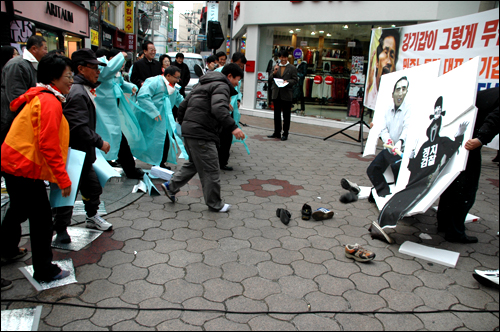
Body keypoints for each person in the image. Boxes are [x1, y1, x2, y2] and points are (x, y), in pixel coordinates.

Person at [1, 53, 73, 282]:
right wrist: (63, 179)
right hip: (23, 166)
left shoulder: (41, 96)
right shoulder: (49, 101)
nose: (72, 80)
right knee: (41, 220)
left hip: (14, 162)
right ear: (54, 78)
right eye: (68, 76)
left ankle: (7, 249)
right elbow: (48, 145)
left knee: (19, 209)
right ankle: (44, 270)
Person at [373, 96, 468, 236]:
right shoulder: (426, 144)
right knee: (383, 174)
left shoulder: (442, 141)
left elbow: (451, 149)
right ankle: (383, 208)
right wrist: (410, 158)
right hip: (414, 178)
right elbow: (413, 166)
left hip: (423, 181)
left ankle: (388, 214)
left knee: (408, 191)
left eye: (438, 113)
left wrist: (459, 136)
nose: (435, 120)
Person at [161, 64, 245, 212]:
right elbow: (218, 109)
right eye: (237, 80)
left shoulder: (202, 84)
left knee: (195, 163)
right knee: (211, 169)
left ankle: (171, 187)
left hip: (190, 131)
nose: (237, 84)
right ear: (230, 76)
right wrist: (234, 127)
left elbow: (182, 106)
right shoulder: (222, 86)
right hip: (202, 133)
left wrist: (184, 124)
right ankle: (215, 204)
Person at [52, 49, 113, 244]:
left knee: (92, 187)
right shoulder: (78, 92)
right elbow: (78, 127)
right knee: (67, 193)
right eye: (94, 68)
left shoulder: (82, 88)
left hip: (83, 153)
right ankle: (60, 229)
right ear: (80, 69)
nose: (98, 72)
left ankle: (91, 217)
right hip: (73, 154)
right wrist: (99, 142)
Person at [437, 87, 499, 243]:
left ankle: (444, 224)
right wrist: (481, 139)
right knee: (466, 189)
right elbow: (496, 118)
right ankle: (455, 232)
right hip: (469, 139)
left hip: (460, 132)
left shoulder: (492, 93)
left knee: (452, 183)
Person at [94, 48, 145, 179]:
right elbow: (107, 71)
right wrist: (120, 56)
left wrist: (131, 87)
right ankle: (126, 169)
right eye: (120, 61)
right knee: (115, 140)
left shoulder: (114, 72)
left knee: (118, 140)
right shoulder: (102, 68)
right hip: (102, 113)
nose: (122, 64)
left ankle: (128, 169)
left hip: (111, 112)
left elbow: (121, 84)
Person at [366, 76, 410, 197]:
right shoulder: (387, 108)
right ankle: (384, 194)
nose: (400, 93)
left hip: (402, 150)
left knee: (398, 170)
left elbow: (408, 128)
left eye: (404, 89)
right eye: (398, 89)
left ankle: (399, 198)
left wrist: (400, 142)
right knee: (372, 169)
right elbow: (383, 128)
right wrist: (388, 140)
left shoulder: (409, 109)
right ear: (393, 93)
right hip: (389, 148)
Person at [135, 66, 186, 168]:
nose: (177, 80)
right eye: (176, 77)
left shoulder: (174, 87)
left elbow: (180, 100)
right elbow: (142, 96)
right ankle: (155, 162)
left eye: (178, 78)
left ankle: (160, 163)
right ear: (168, 75)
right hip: (150, 117)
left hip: (164, 118)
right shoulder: (154, 81)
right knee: (152, 140)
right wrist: (153, 111)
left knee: (165, 139)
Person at [1, 35, 47, 144]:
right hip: (11, 119)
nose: (46, 52)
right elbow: (16, 97)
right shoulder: (17, 64)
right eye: (44, 48)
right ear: (34, 49)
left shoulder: (33, 64)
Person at [215, 52, 249, 171]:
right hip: (221, 108)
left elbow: (237, 90)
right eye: (239, 64)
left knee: (227, 137)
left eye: (242, 66)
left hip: (230, 108)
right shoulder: (220, 72)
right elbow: (216, 94)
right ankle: (215, 162)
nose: (240, 68)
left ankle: (223, 162)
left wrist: (238, 99)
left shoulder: (237, 76)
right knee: (219, 135)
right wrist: (224, 101)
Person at [365, 29, 400, 108]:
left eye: (392, 55)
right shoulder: (370, 96)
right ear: (377, 61)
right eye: (385, 52)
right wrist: (368, 87)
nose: (388, 61)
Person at [268, 50, 298, 141]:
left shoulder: (292, 68)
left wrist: (288, 82)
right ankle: (277, 132)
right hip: (276, 93)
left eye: (284, 57)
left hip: (286, 94)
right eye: (281, 57)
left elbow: (295, 80)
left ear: (287, 57)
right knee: (276, 114)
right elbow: (270, 79)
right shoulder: (275, 67)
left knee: (286, 115)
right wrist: (274, 72)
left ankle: (285, 133)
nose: (283, 59)